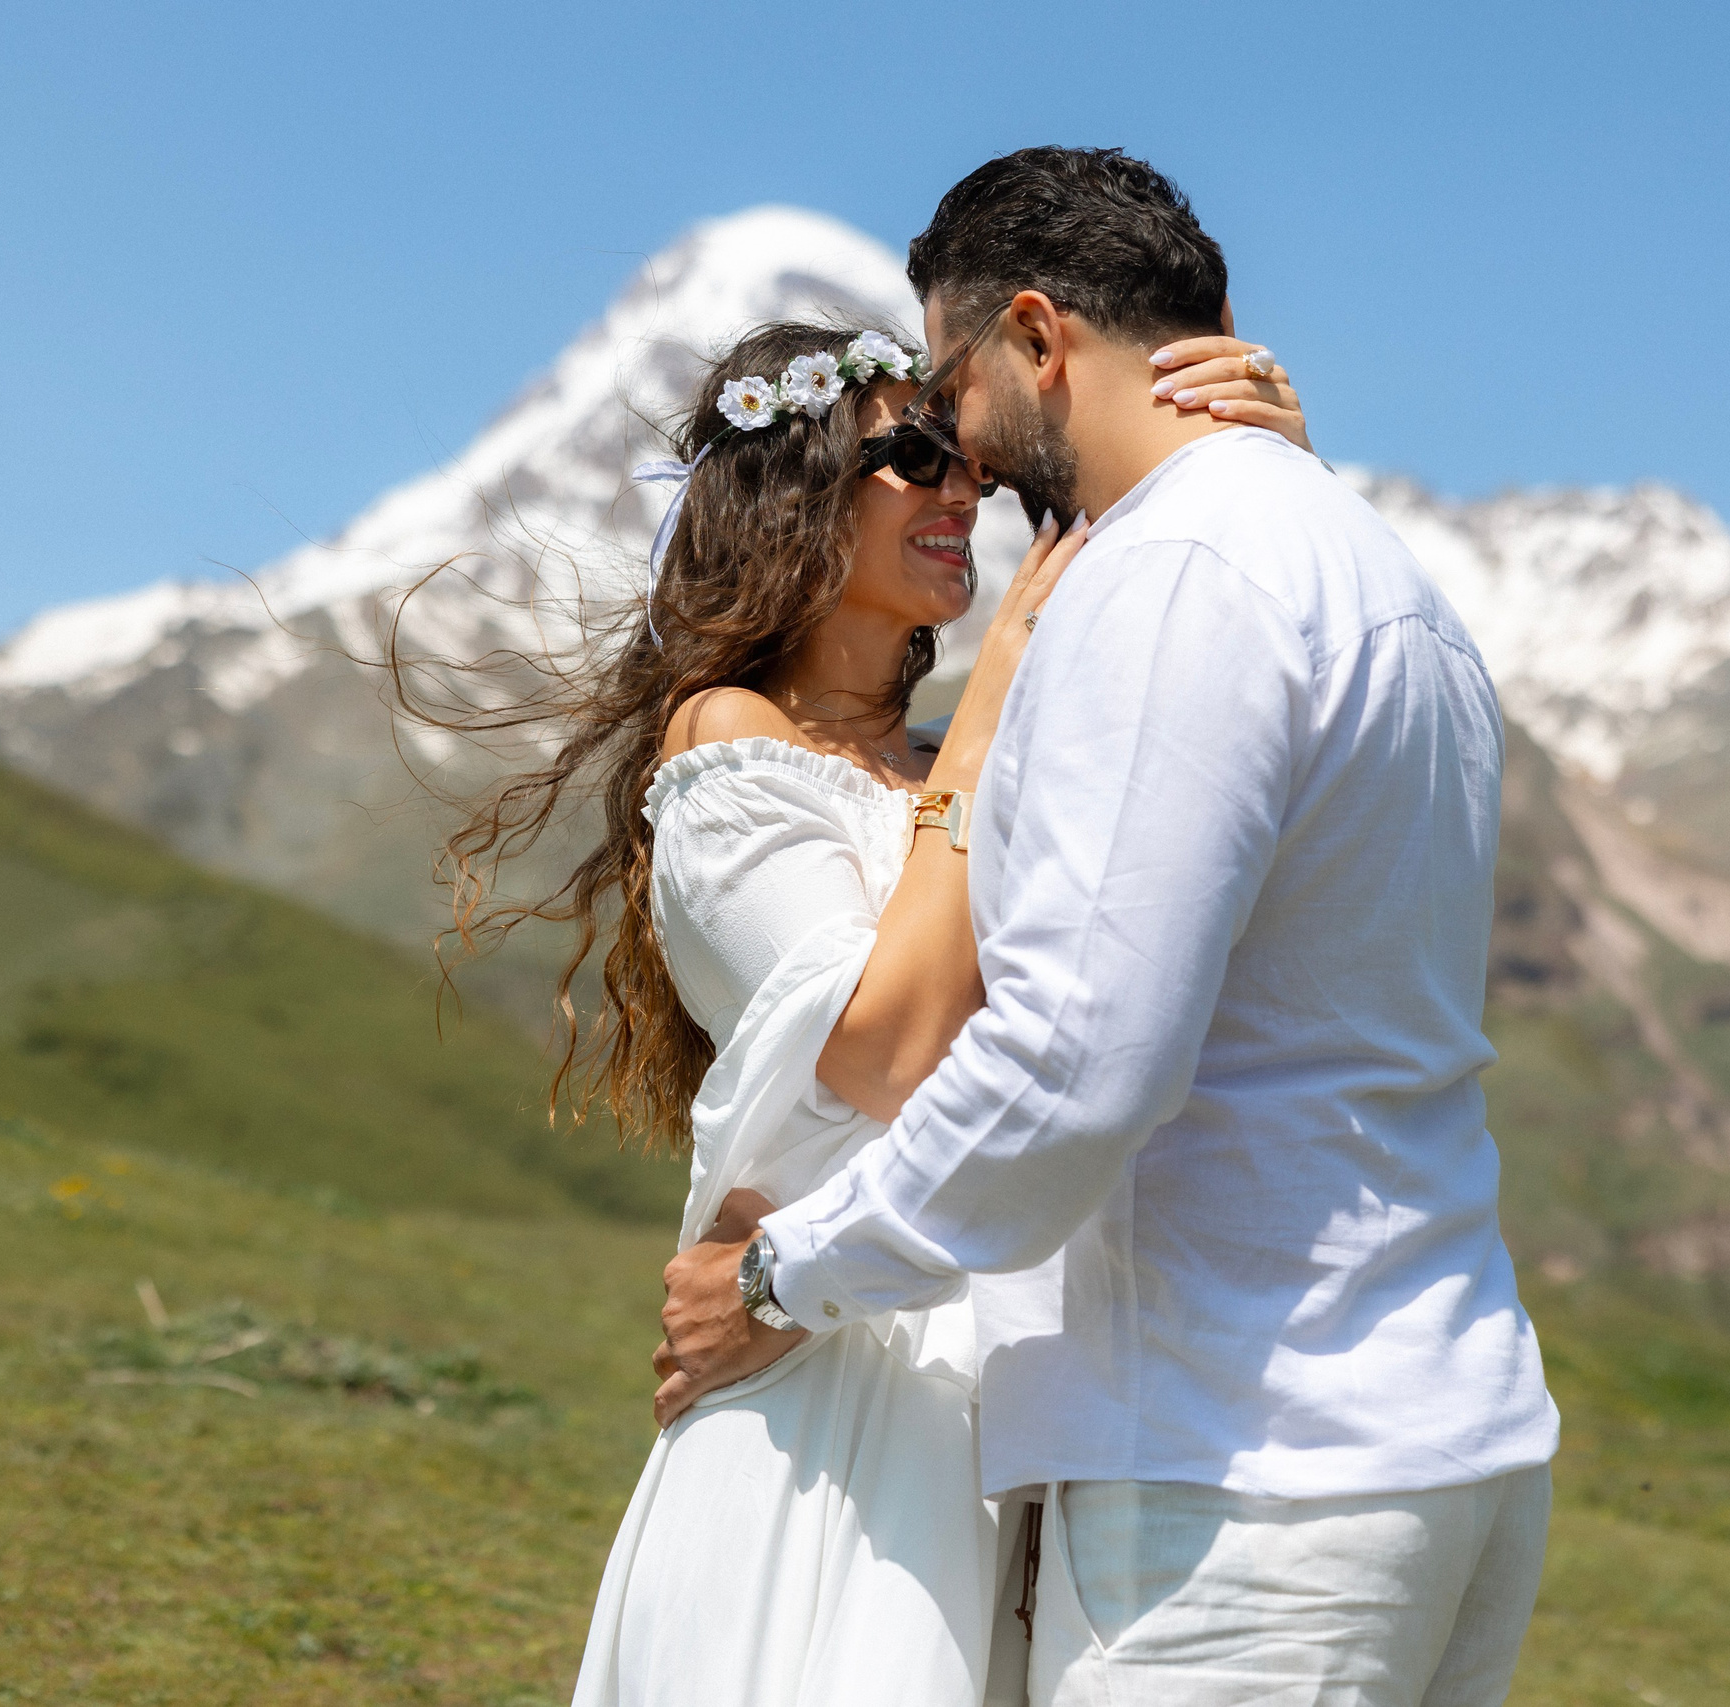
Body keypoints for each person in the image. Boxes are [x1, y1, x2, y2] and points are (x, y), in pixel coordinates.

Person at [657, 148, 1561, 1707]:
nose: (969, 466)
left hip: (1246, 1480)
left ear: (1034, 336)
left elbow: (1081, 1057)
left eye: (954, 390)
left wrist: (783, 1275)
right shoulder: (1374, 572)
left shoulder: (1176, 580)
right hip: (1437, 1431)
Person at [410, 312, 1309, 1705]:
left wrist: (1264, 468)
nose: (962, 491)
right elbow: (889, 1051)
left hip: (1007, 1397)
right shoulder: (731, 746)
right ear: (795, 494)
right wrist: (1000, 701)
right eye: (912, 455)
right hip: (836, 1411)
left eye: (968, 465)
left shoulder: (957, 760)